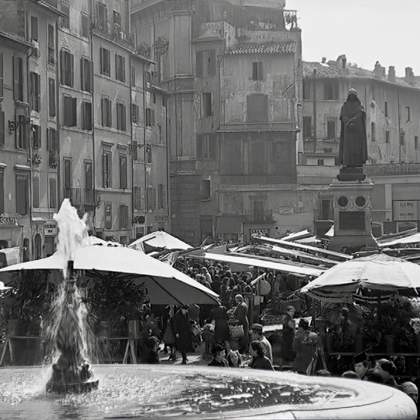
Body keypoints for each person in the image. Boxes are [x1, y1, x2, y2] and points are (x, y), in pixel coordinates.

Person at [338, 88, 368, 170]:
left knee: (357, 148)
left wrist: (351, 121)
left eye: (353, 95)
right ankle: (347, 163)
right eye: (350, 95)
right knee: (348, 148)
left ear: (355, 96)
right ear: (348, 96)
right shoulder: (344, 106)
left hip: (357, 131)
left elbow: (360, 115)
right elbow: (343, 116)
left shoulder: (360, 105)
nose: (352, 97)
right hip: (348, 131)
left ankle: (357, 163)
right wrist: (348, 122)